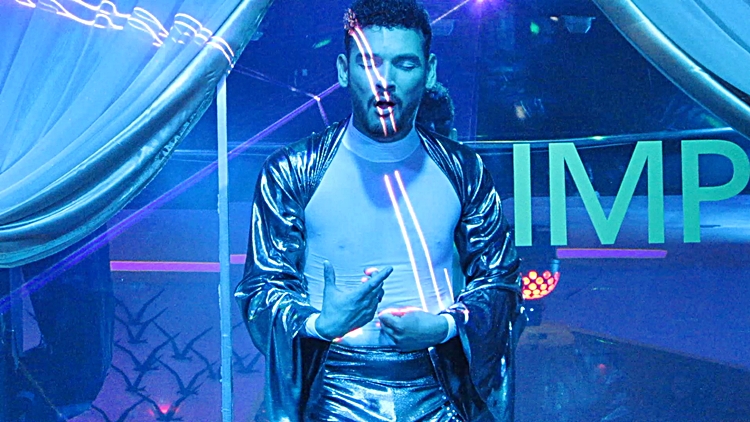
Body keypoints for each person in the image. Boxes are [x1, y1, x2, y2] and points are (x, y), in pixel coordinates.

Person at [234, 0, 524, 420]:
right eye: (370, 63)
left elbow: (500, 281)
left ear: (430, 72)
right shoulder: (292, 170)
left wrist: (445, 327)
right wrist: (320, 324)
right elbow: (262, 288)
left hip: (441, 393)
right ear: (343, 70)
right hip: (328, 395)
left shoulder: (464, 171)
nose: (385, 81)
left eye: (404, 64)